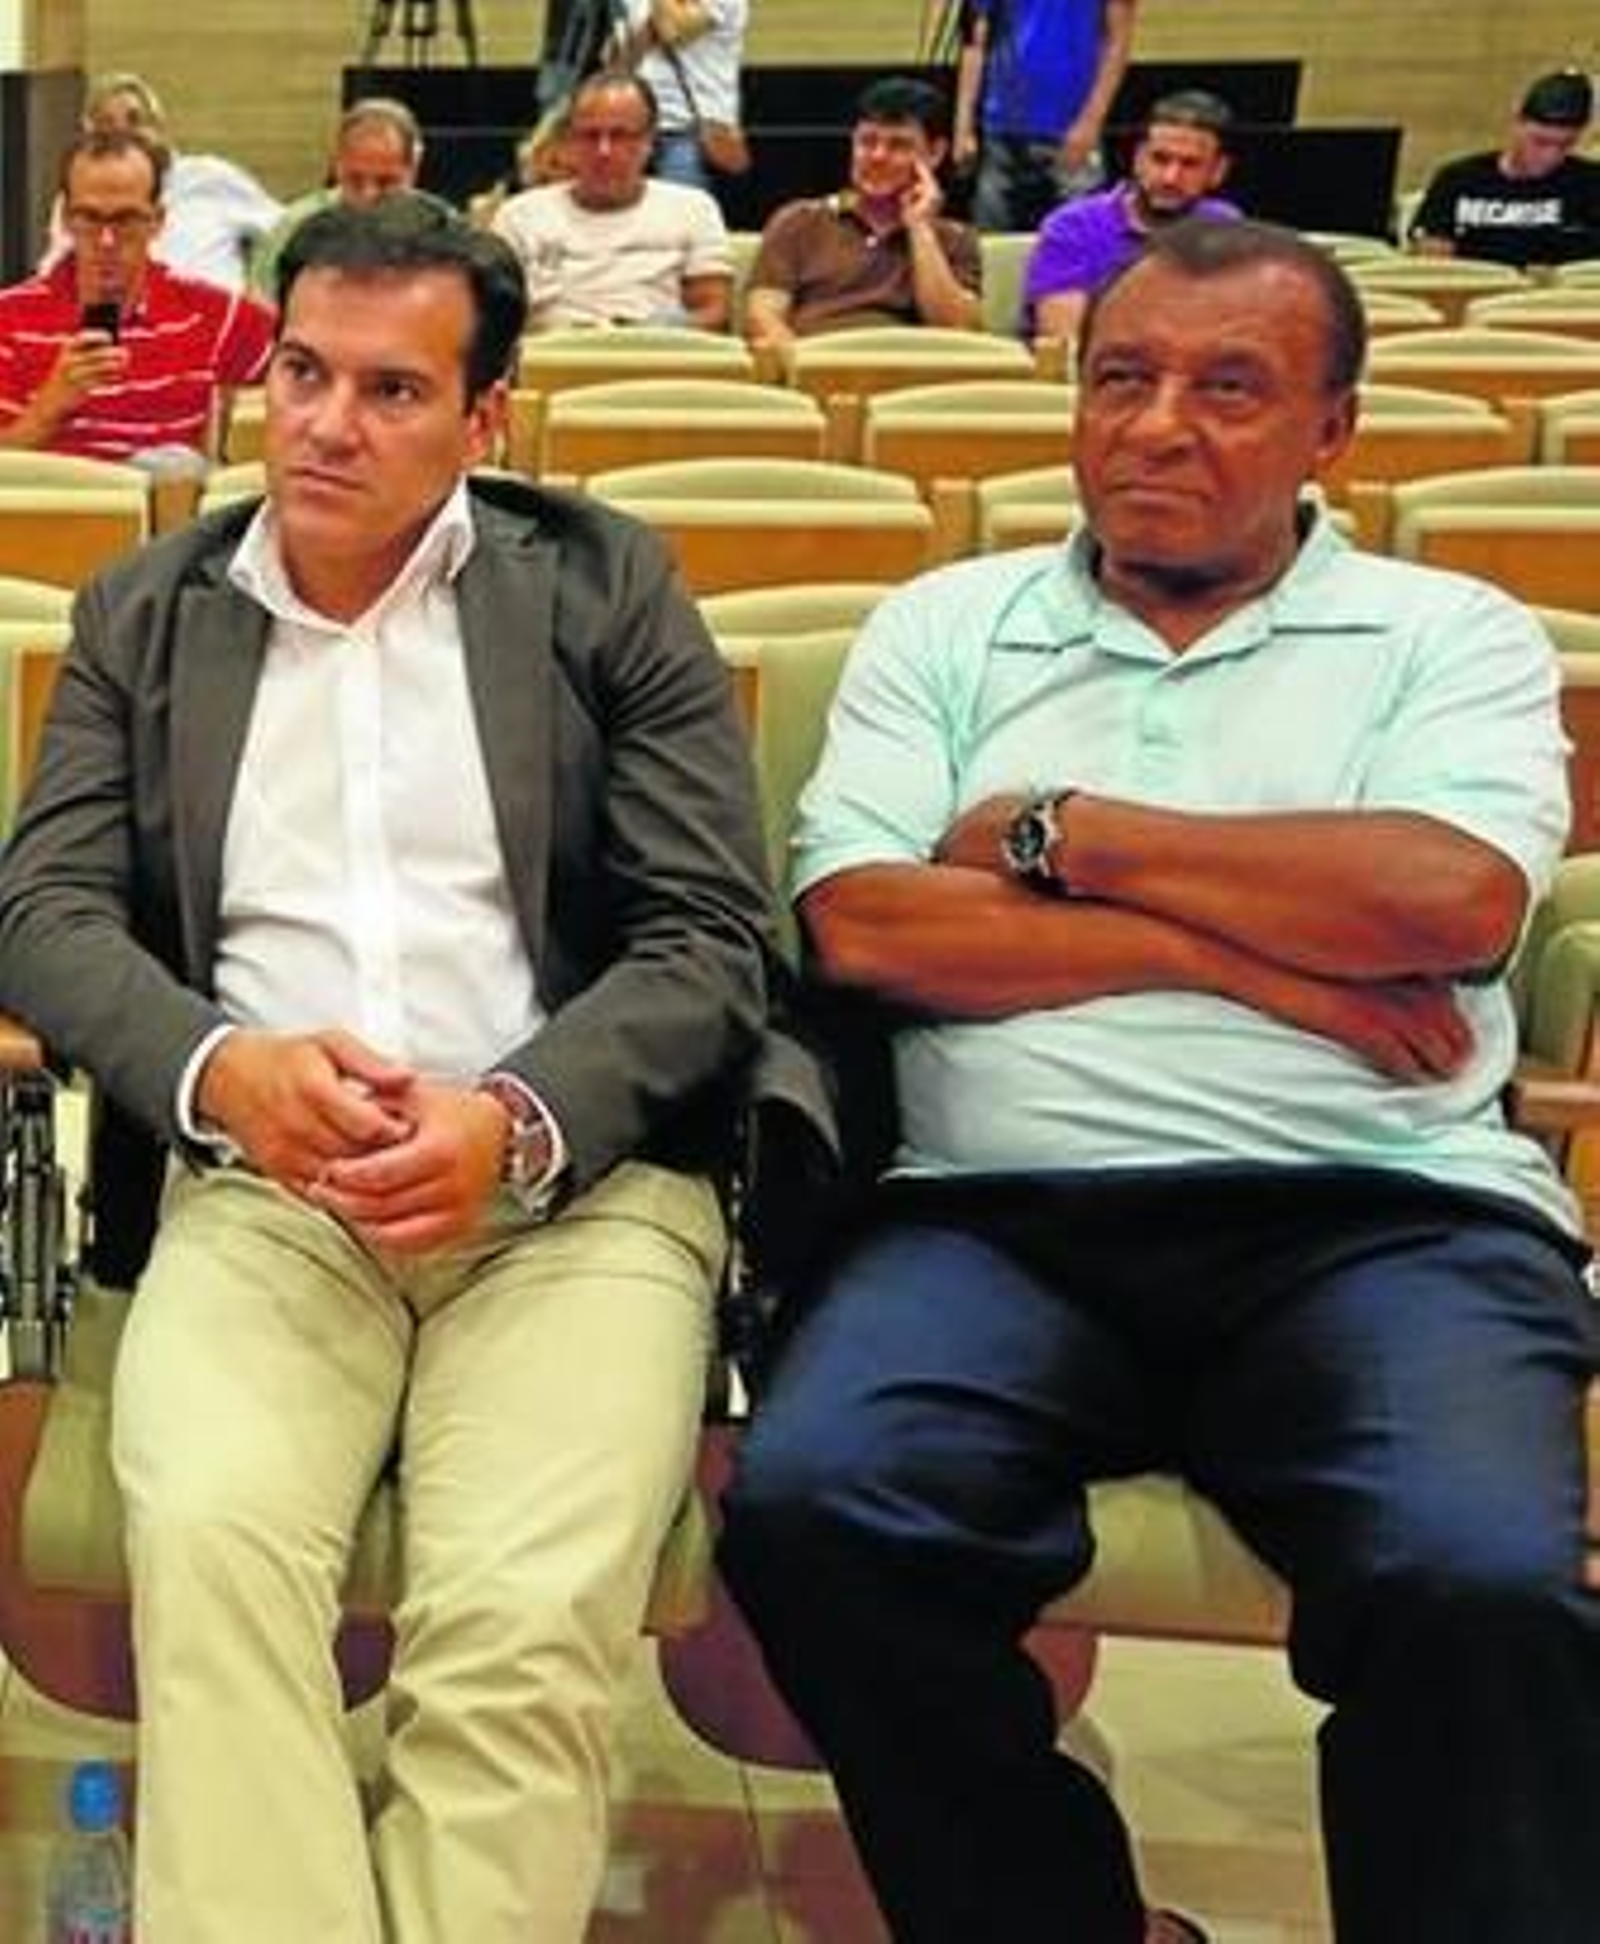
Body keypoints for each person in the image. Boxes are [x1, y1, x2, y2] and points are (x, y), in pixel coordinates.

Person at [719, 217, 1600, 1944]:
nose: (1158, 426)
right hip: (993, 1220)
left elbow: (1451, 902)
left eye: (1229, 387)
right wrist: (1255, 956)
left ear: (1333, 433)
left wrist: (1068, 835)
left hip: (1388, 1218)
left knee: (1476, 1578)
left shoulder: (1449, 633)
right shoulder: (949, 625)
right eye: (1121, 377)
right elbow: (867, 924)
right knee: (818, 1513)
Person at [0, 194, 770, 1942]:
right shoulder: (150, 607)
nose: (330, 424)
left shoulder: (602, 587)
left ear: (487, 420)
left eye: (395, 390)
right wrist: (217, 1066)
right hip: (271, 1191)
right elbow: (38, 911)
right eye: (304, 372)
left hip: (571, 1196)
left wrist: (515, 1114)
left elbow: (714, 936)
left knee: (515, 1618)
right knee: (211, 1550)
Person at [0, 129, 275, 460]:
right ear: (65, 220)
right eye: (89, 218)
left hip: (171, 503)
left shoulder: (209, 315)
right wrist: (49, 408)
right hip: (59, 507)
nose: (106, 241)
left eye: (125, 220)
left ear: (157, 222)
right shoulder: (9, 321)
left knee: (175, 464)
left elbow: (312, 364)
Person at [743, 77, 981, 348]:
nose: (878, 156)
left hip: (912, 379)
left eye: (898, 145)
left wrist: (919, 228)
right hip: (812, 372)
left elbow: (958, 333)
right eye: (867, 142)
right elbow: (760, 318)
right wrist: (810, 370)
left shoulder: (955, 238)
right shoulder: (799, 220)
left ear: (935, 154)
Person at [493, 70, 733, 331]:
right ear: (570, 139)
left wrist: (650, 330)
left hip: (659, 356)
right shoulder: (519, 216)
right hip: (553, 358)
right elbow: (491, 319)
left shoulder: (693, 209)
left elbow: (714, 312)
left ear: (649, 140)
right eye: (590, 135)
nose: (603, 151)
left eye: (620, 136)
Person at [1023, 88, 1239, 340]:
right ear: (1138, 159)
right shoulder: (1073, 227)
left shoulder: (1226, 228)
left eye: (1190, 164)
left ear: (1218, 172)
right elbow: (1069, 343)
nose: (1171, 178)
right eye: (1160, 159)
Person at [42, 71, 284, 293]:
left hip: (215, 329)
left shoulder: (209, 177)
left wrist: (262, 293)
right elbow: (53, 272)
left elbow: (287, 233)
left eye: (135, 120)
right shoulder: (82, 197)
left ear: (159, 126)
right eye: (106, 125)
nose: (123, 132)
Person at [954, 0, 1139, 233]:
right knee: (992, 249)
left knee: (1078, 247)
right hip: (1001, 129)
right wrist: (963, 126)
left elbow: (1118, 41)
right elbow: (975, 42)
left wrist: (1090, 122)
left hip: (1071, 131)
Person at [1409, 67, 1600, 267]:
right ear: (1517, 124)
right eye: (1540, 142)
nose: (1550, 156)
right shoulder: (1458, 180)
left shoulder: (1591, 184)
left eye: (1565, 145)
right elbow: (1433, 269)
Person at [249, 98, 427, 300]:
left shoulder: (444, 231)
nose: (369, 195)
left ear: (413, 171)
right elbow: (260, 309)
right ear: (337, 166)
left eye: (386, 182)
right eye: (355, 180)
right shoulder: (293, 228)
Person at [614, 0, 750, 203]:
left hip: (689, 133)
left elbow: (672, 30)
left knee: (679, 223)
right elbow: (619, 62)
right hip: (633, 126)